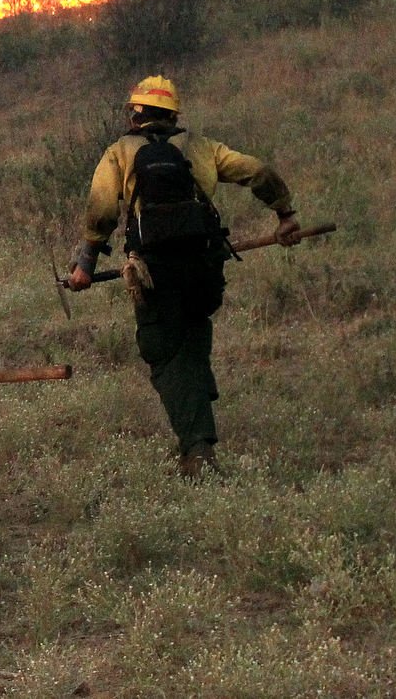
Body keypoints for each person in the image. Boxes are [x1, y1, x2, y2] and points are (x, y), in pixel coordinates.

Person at [66, 75, 301, 476]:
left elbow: (102, 208)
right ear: (174, 114)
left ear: (136, 113)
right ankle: (200, 420)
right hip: (205, 270)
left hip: (155, 274)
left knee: (164, 352)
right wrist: (285, 213)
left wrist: (86, 261)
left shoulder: (121, 151)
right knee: (193, 335)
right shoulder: (202, 148)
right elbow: (256, 170)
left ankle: (197, 451)